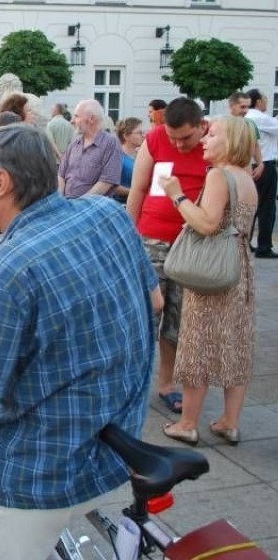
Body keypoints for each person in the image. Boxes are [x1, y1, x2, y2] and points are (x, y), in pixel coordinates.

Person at [0, 126, 160, 560]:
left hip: (42, 467)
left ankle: (6, 529)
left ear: (0, 182)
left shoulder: (6, 268)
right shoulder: (108, 214)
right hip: (118, 436)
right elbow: (154, 300)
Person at [159, 116, 258, 446]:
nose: (205, 139)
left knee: (197, 344)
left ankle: (187, 423)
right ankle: (230, 422)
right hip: (239, 269)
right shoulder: (246, 179)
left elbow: (207, 224)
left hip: (212, 271)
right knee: (235, 345)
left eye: (212, 135)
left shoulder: (219, 175)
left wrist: (177, 196)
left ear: (230, 142)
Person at [127, 96, 210, 414]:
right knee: (146, 314)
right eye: (173, 138)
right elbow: (138, 188)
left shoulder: (213, 144)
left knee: (177, 319)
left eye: (186, 138)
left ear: (202, 126)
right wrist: (130, 235)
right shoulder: (157, 138)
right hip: (152, 238)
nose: (179, 144)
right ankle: (134, 382)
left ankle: (167, 384)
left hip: (191, 245)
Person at [58, 99, 122, 198]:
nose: (72, 121)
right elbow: (61, 175)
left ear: (91, 119)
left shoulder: (110, 143)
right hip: (67, 207)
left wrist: (79, 205)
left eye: (76, 116)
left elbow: (106, 182)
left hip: (92, 209)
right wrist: (60, 200)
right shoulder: (75, 143)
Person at [245, 89, 278, 258]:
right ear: (258, 101)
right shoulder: (260, 117)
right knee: (267, 207)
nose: (267, 102)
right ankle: (264, 246)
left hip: (250, 166)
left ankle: (246, 241)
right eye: (265, 99)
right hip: (265, 165)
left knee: (251, 206)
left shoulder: (246, 117)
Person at [228, 92, 264, 181]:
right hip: (226, 170)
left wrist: (260, 164)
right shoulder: (222, 124)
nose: (246, 110)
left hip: (246, 170)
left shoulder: (250, 124)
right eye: (242, 107)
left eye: (248, 107)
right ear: (231, 106)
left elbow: (255, 145)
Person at [113, 117, 144, 203]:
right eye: (139, 133)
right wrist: (135, 192)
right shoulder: (117, 157)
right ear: (126, 136)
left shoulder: (140, 155)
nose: (143, 135)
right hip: (122, 206)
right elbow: (112, 186)